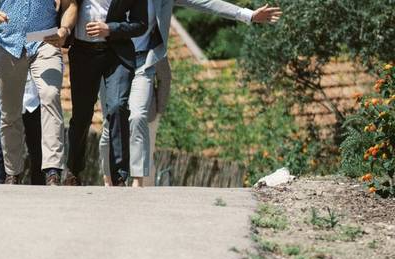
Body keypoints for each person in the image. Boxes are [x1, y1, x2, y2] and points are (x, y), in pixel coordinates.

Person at [98, 1, 282, 187]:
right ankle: (108, 180)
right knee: (111, 121)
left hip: (143, 62)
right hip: (113, 61)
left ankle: (137, 182)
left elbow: (205, 2)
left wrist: (248, 15)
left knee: (138, 117)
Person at [0, 0, 77, 186]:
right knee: (9, 111)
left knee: (50, 94)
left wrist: (65, 29)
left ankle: (53, 170)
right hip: (7, 41)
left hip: (44, 39)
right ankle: (12, 172)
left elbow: (70, 5)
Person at [65, 0, 149, 187]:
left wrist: (110, 28)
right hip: (83, 53)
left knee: (117, 106)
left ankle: (119, 176)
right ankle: (73, 170)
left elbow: (140, 24)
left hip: (116, 53)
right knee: (82, 115)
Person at [0, 28, 45, 185]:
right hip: (5, 97)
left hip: (34, 99)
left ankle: (41, 193)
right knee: (2, 146)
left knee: (38, 152)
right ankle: (1, 187)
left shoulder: (39, 31)